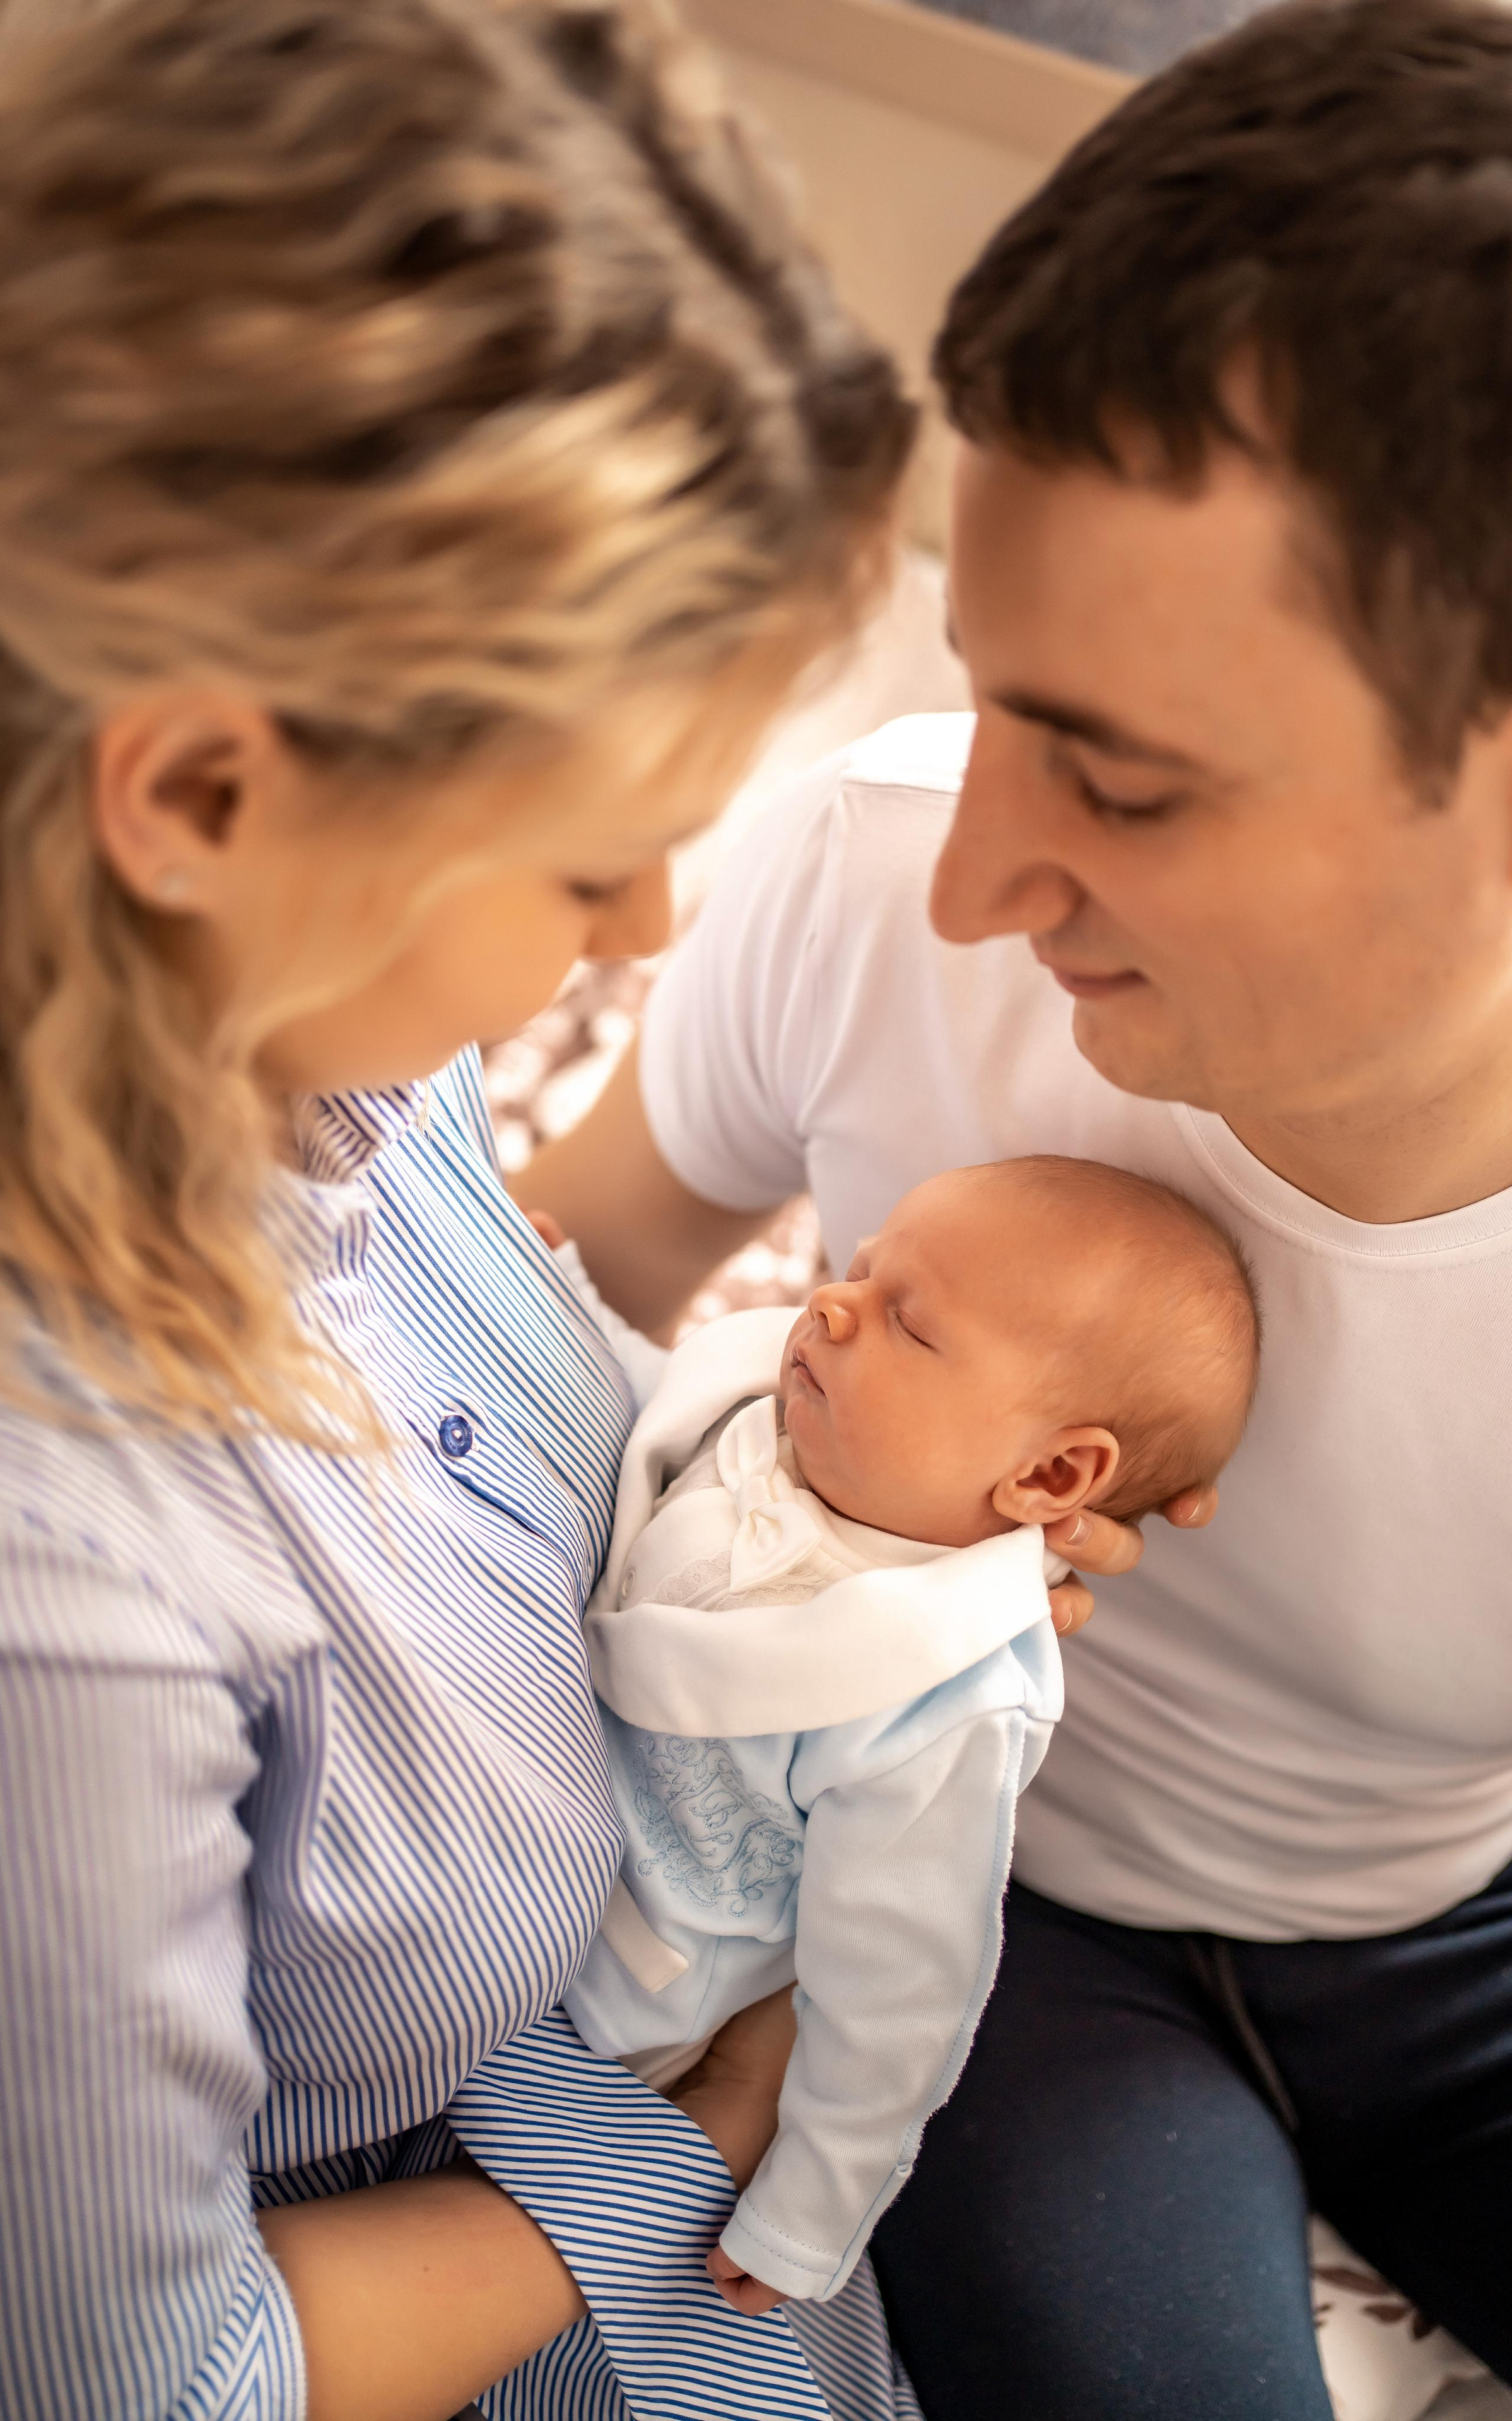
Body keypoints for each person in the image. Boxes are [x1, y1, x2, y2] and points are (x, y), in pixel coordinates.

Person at [519, 3, 1512, 2415]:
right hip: (999, 1919)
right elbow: (529, 1308)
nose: (984, 868)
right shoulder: (866, 866)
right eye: (995, 693)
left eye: (1118, 784)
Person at [0, 3, 929, 2417]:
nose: (640, 926)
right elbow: (153, 2381)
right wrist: (652, 2149)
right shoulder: (61, 1589)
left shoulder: (286, 1023)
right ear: (199, 791)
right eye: (589, 848)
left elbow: (494, 1410)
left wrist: (834, 1491)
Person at [558, 1158, 1258, 2313]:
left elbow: (898, 1990)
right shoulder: (783, 1426)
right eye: (860, 1267)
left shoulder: (938, 1699)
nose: (832, 1304)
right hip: (507, 1803)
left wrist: (811, 2203)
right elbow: (637, 1410)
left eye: (909, 1324)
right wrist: (553, 1294)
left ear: (1052, 1473)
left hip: (615, 1997)